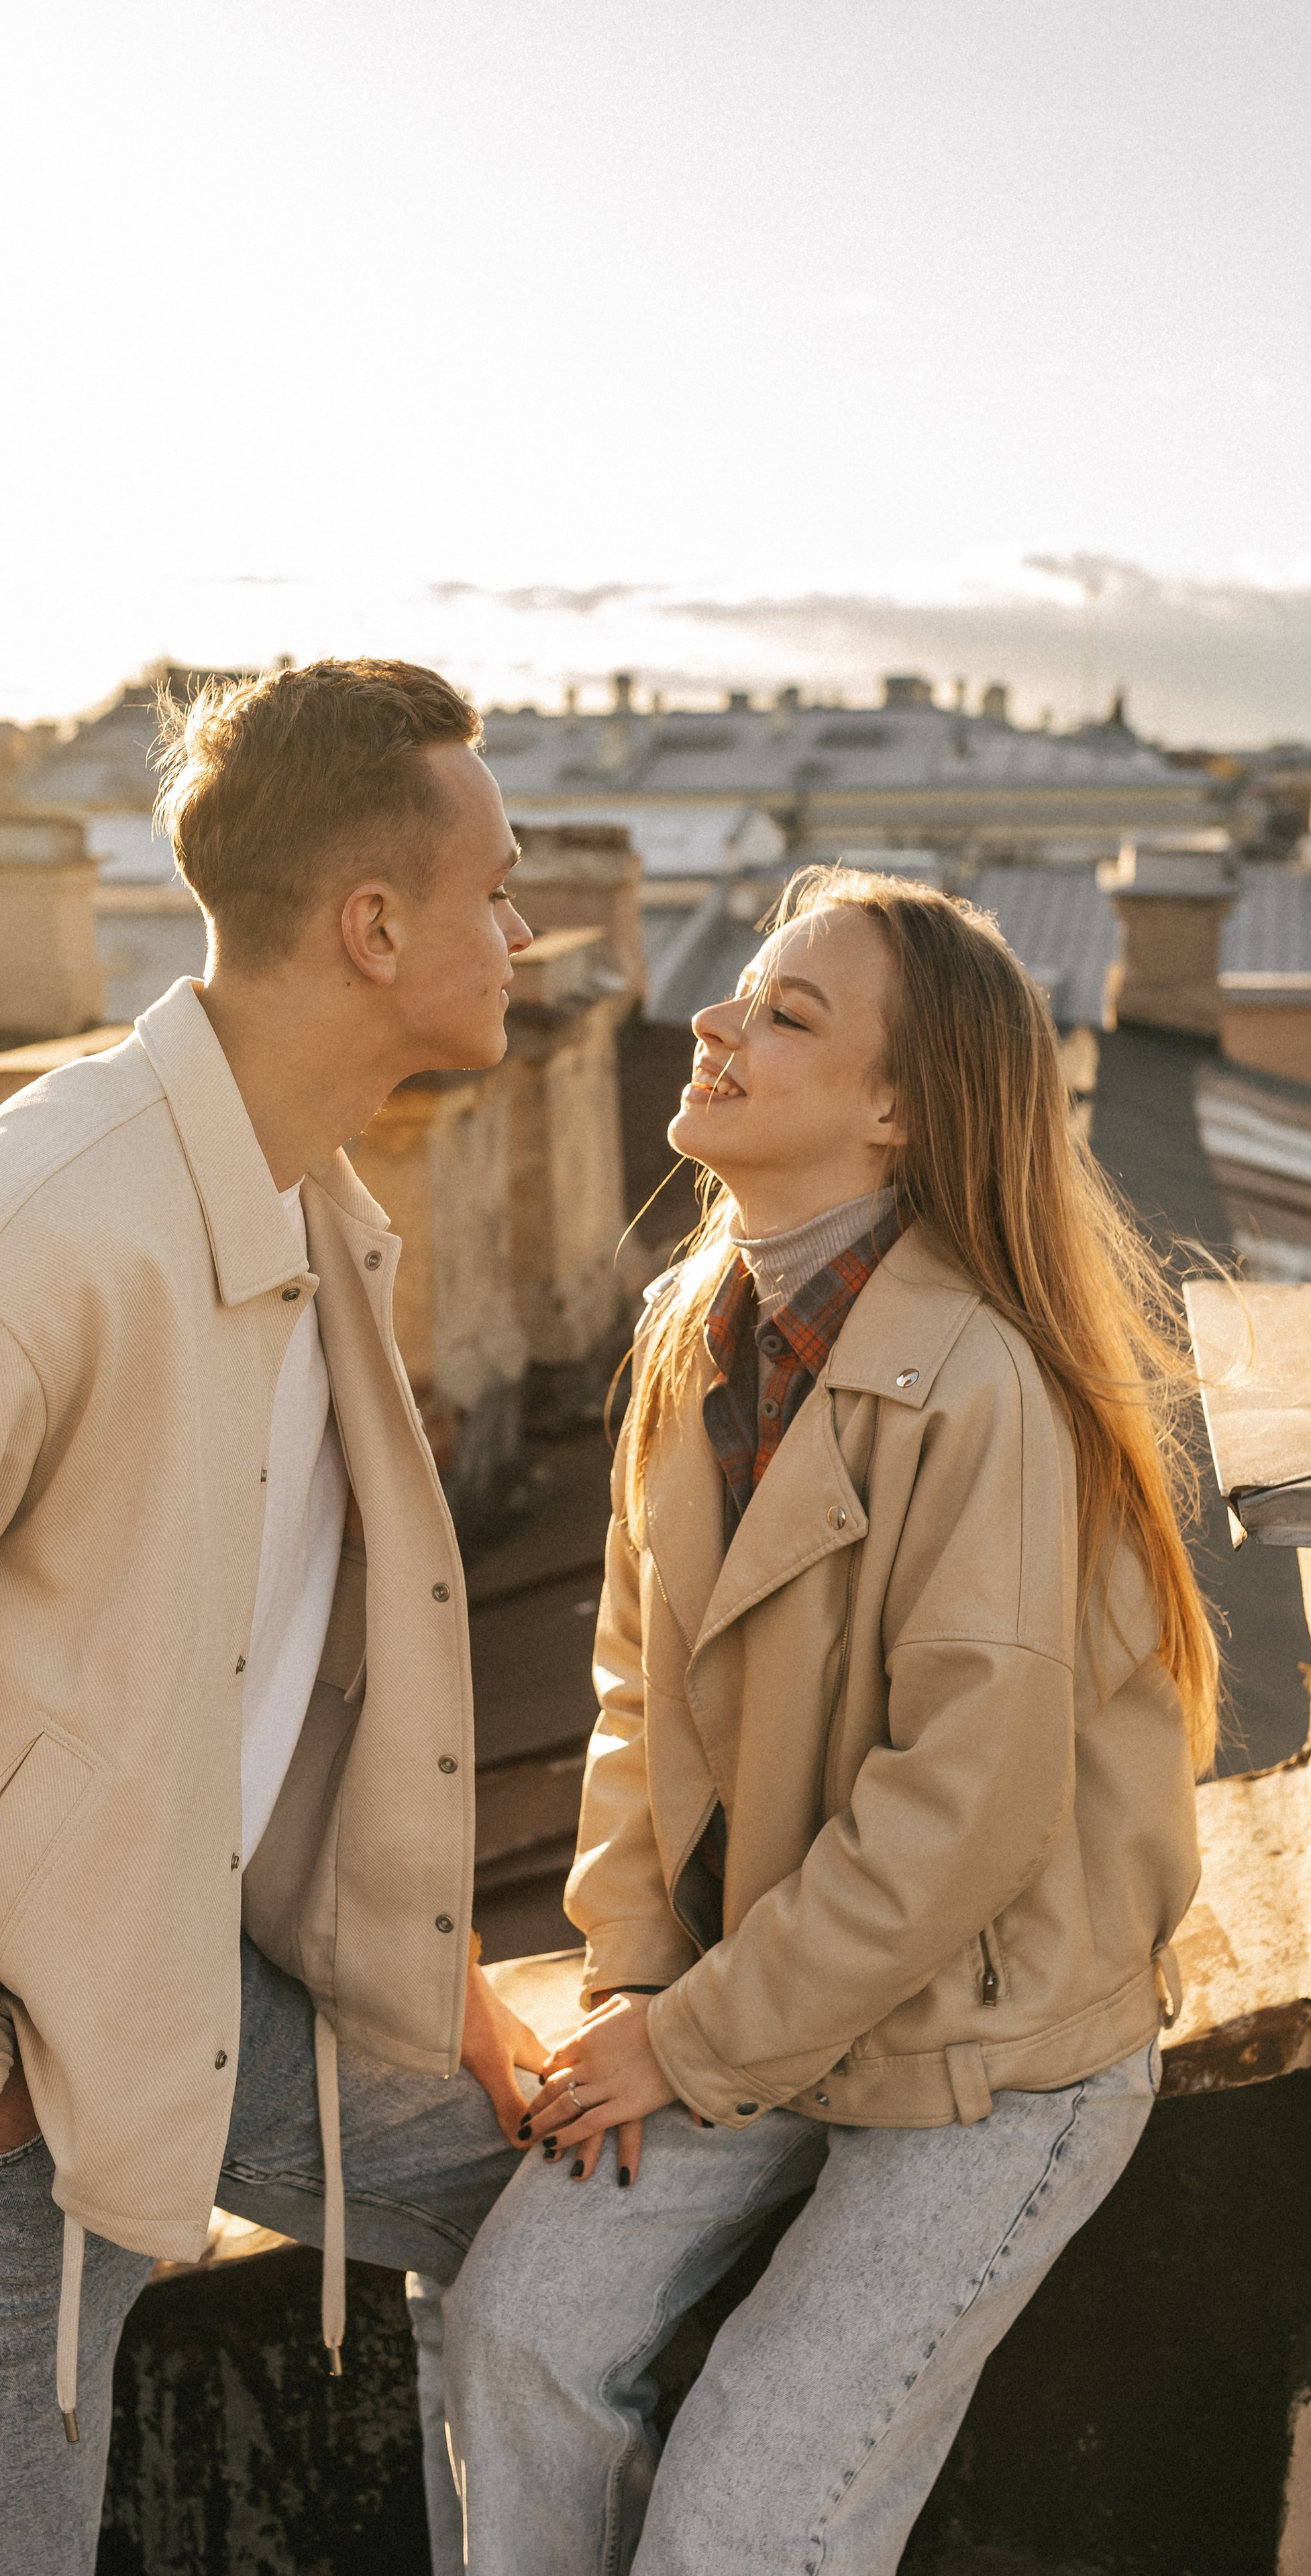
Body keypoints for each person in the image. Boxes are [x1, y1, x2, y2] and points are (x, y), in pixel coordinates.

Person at [0, 658, 547, 2576]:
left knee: (573, 2205)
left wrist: (426, 1960)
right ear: (371, 926)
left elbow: (245, 1666)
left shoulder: (306, 1203)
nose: (527, 932)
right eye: (498, 888)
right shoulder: (30, 1238)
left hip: (164, 1981)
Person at [441, 865, 1214, 2573]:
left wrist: (687, 2042)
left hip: (990, 2053)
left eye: (785, 1013)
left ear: (893, 1113)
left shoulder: (983, 1383)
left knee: (748, 2506)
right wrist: (637, 1979)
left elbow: (967, 1812)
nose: (712, 1021)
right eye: (739, 991)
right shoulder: (687, 1327)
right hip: (763, 1988)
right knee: (510, 2336)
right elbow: (636, 1703)